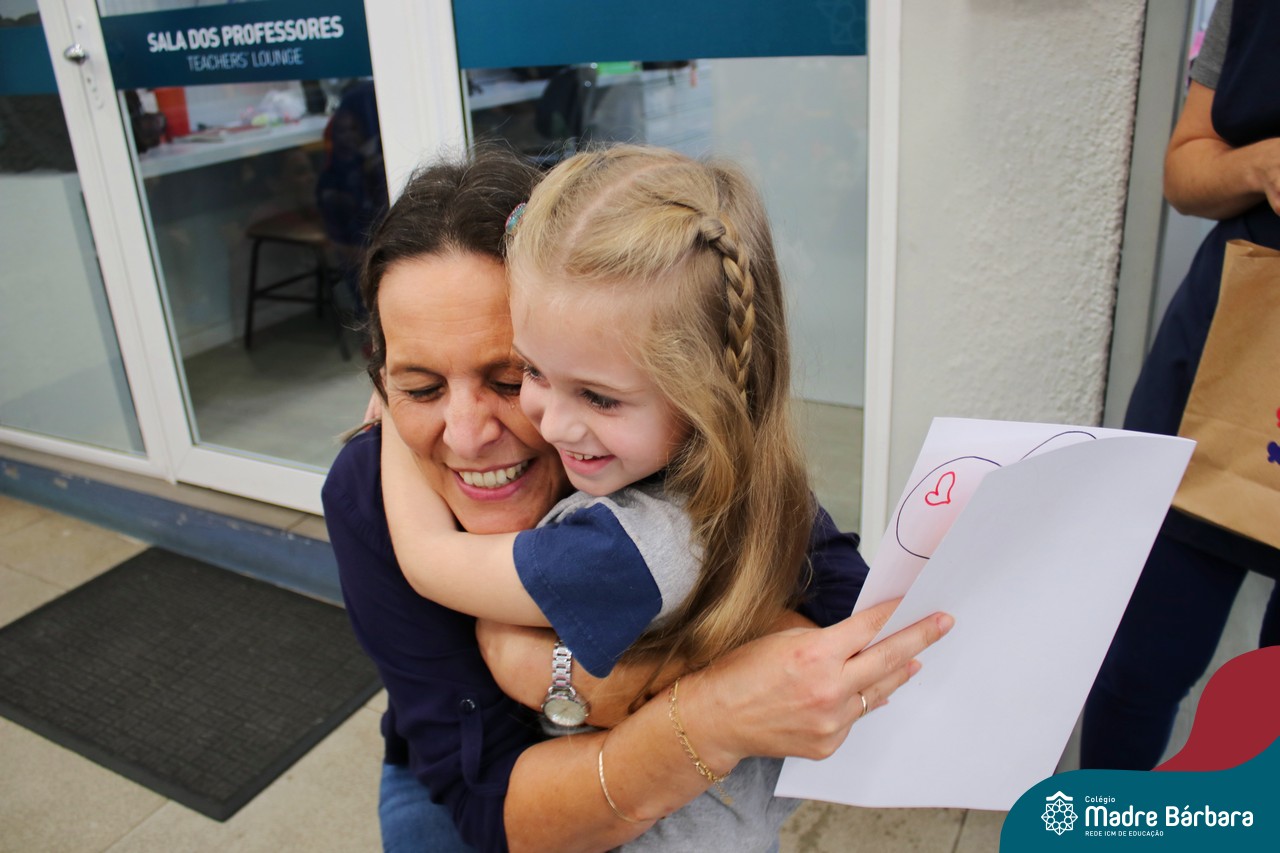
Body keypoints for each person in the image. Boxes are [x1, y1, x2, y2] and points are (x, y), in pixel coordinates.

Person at [321, 145, 954, 852]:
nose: (467, 435)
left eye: (507, 377)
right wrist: (633, 679)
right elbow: (488, 804)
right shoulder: (368, 491)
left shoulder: (674, 466)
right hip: (466, 780)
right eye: (419, 386)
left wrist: (569, 670)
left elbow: (840, 615)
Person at [1081, 0, 1280, 770]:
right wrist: (1260, 166)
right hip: (1238, 337)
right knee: (1141, 658)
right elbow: (1185, 170)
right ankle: (1109, 816)